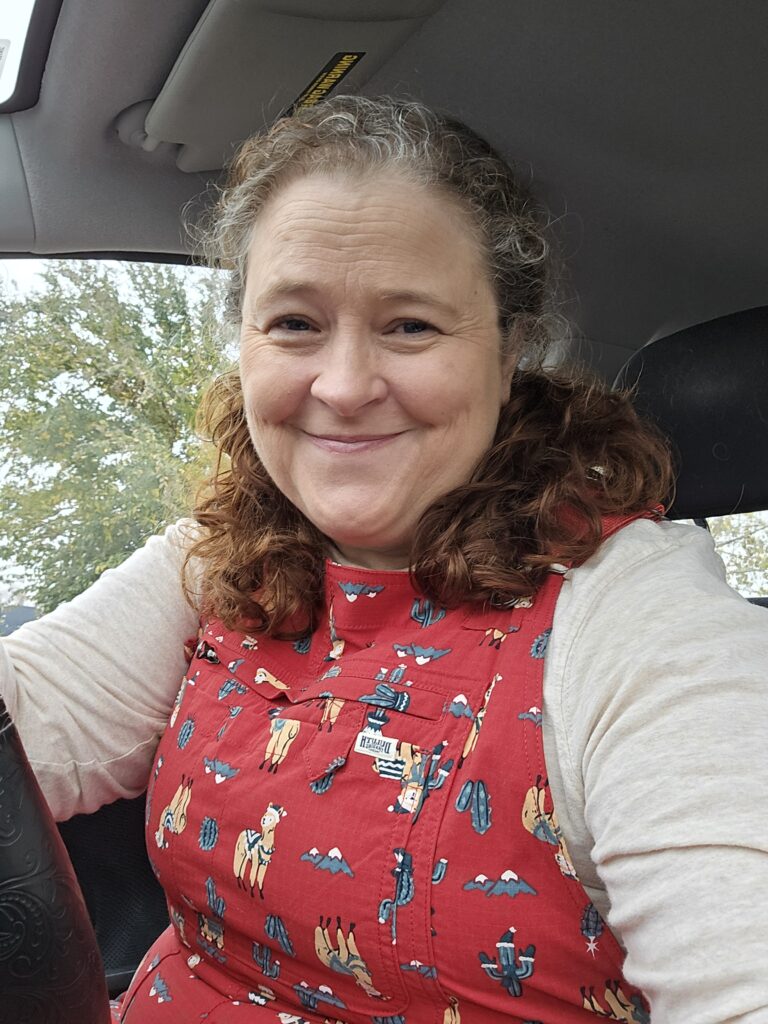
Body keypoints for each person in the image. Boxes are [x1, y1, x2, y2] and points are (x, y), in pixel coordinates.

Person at [1, 95, 766, 1024]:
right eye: (293, 324)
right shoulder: (221, 558)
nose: (346, 385)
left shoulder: (639, 619)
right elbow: (24, 717)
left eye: (410, 326)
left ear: (509, 349)